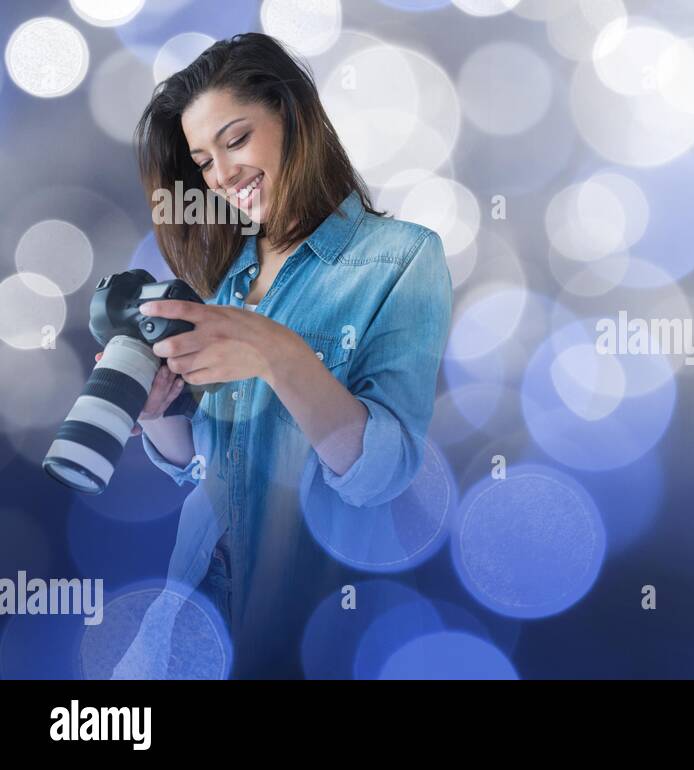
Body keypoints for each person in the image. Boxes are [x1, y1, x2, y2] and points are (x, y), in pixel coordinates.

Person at [111, 32, 451, 678]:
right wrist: (160, 412)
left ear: (293, 119)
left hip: (302, 622)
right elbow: (206, 470)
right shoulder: (230, 277)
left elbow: (384, 472)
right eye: (204, 160)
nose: (222, 174)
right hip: (185, 620)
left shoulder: (402, 259)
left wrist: (278, 353)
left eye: (236, 139)